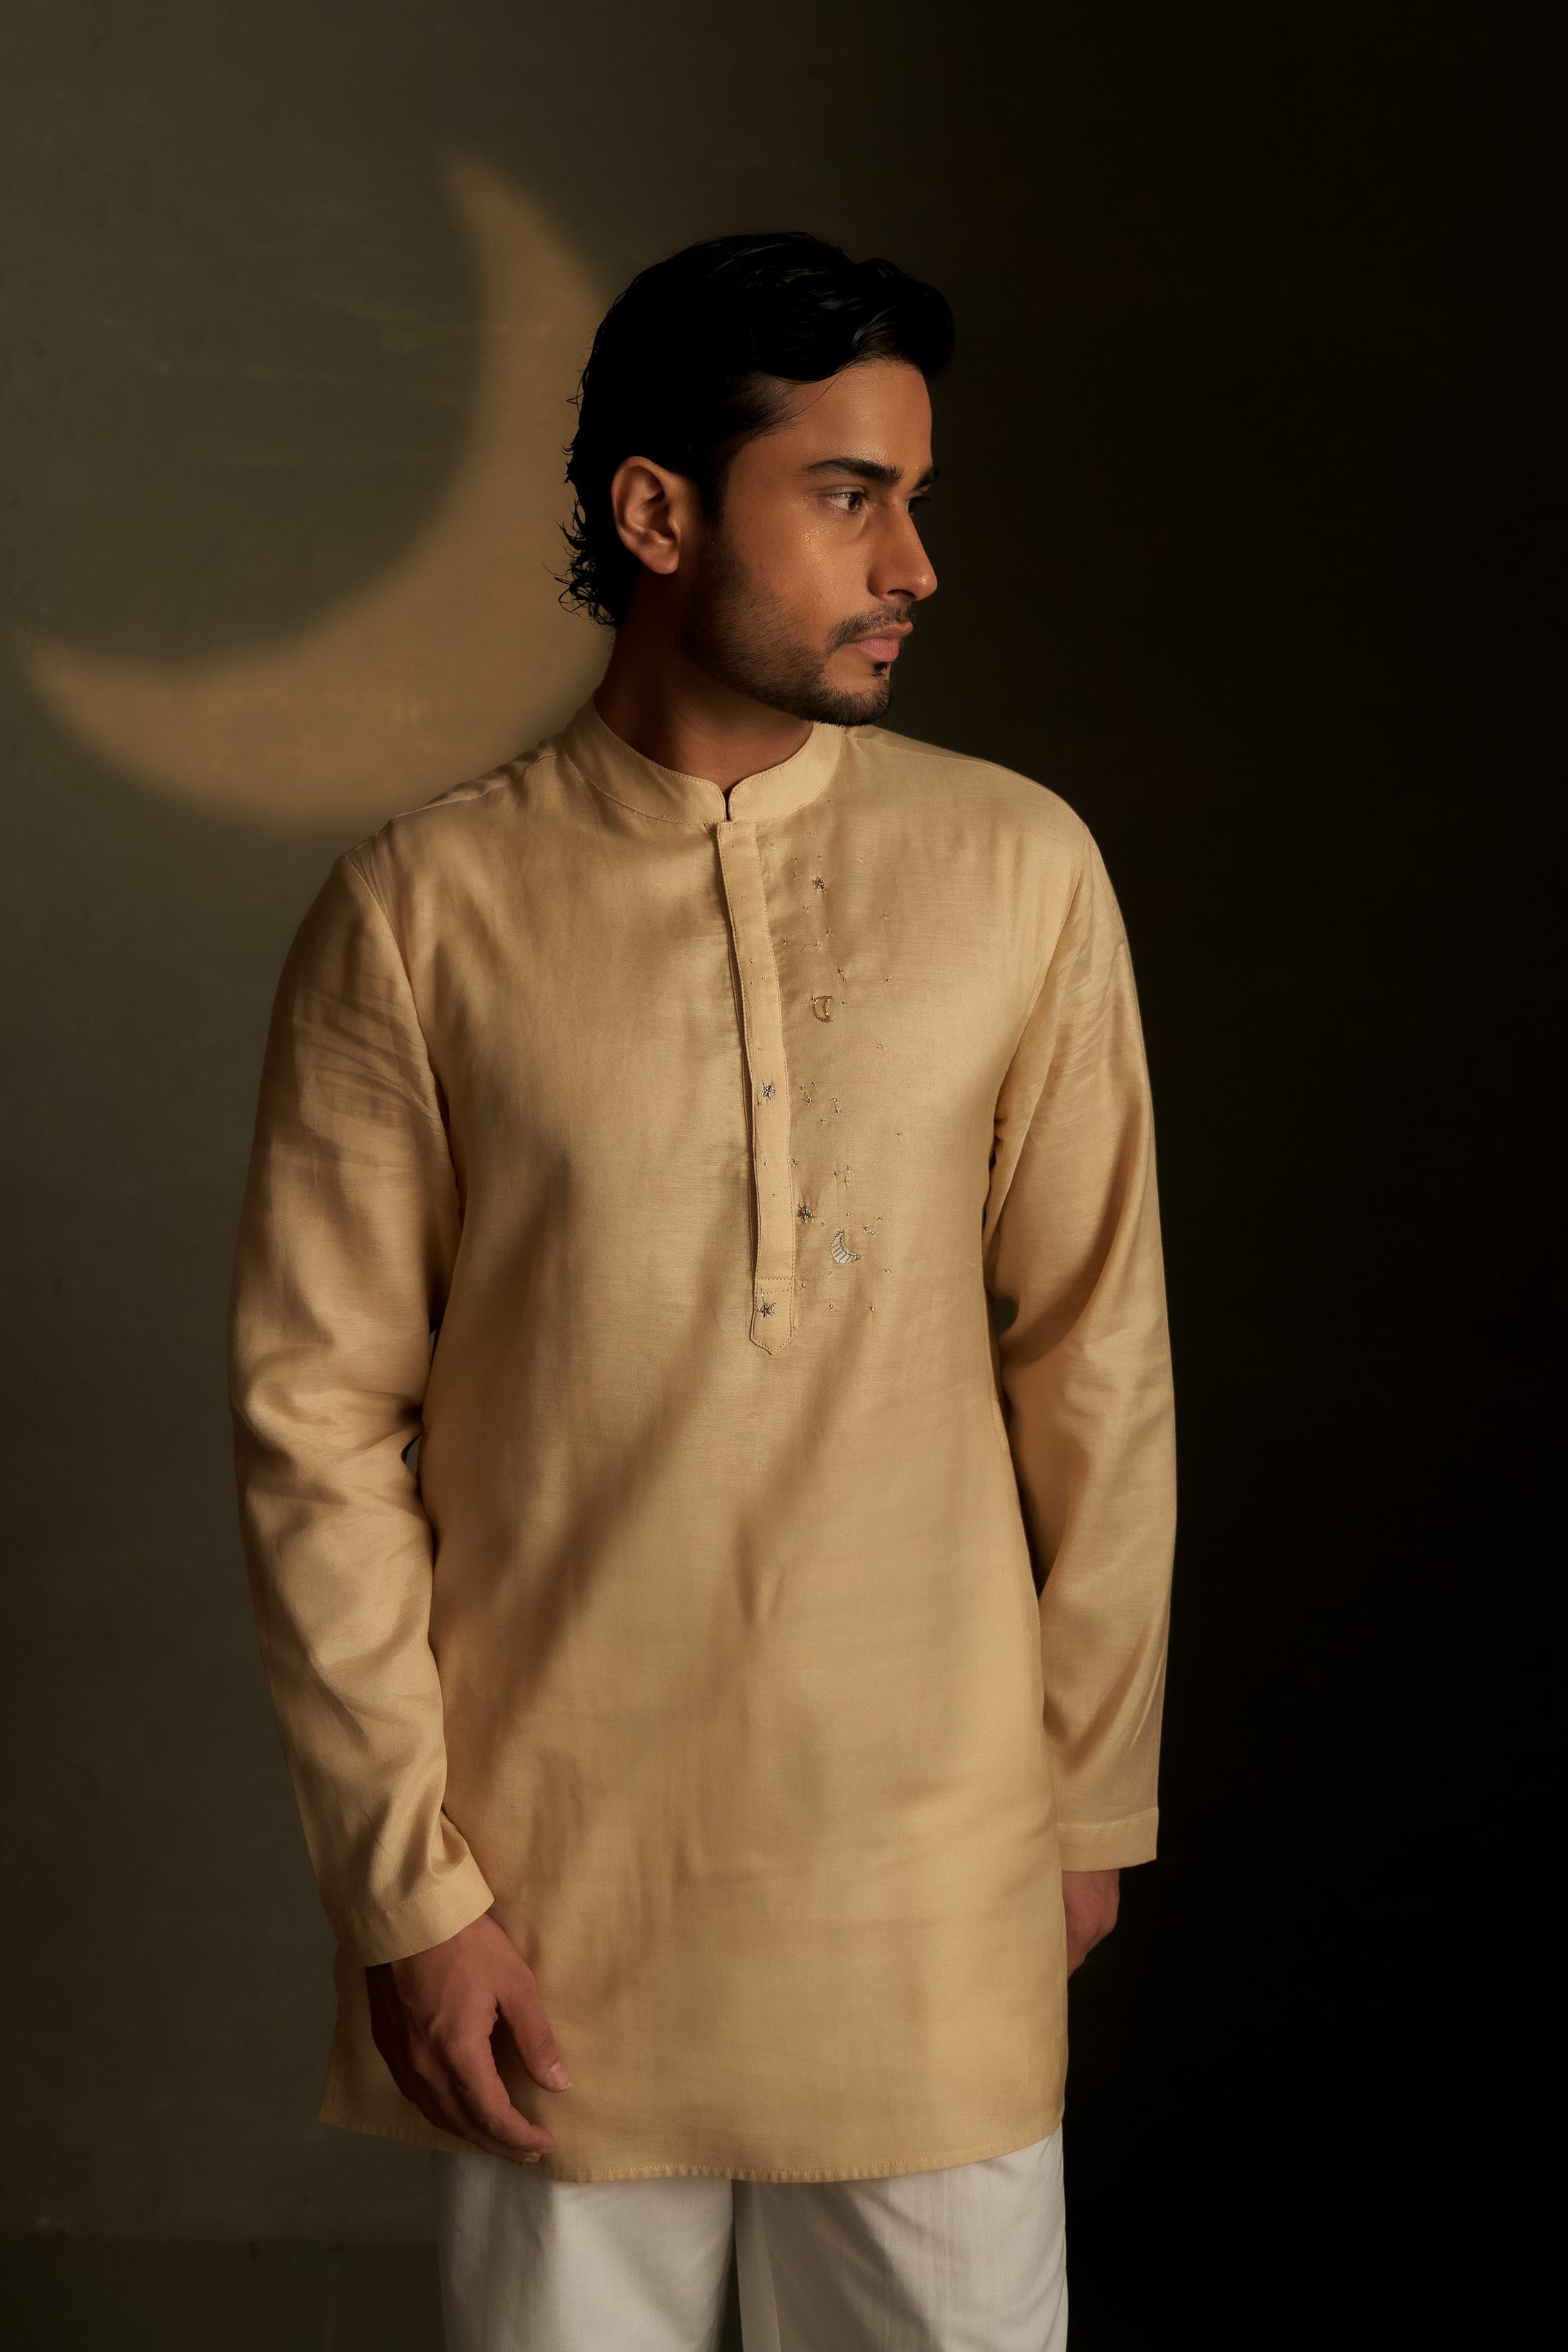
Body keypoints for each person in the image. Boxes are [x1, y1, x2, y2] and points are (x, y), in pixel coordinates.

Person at [228, 232, 1177, 2352]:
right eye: (847, 497)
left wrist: (1087, 1796)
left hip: (931, 1873)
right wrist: (408, 1888)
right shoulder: (422, 913)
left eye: (914, 498)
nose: (913, 564)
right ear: (657, 513)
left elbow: (1095, 1362)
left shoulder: (1018, 869)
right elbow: (314, 1427)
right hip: (547, 1908)